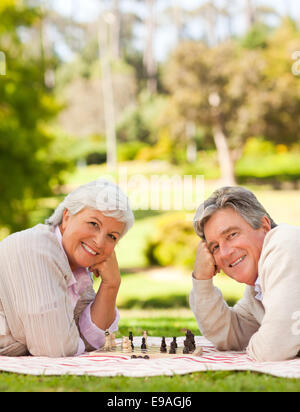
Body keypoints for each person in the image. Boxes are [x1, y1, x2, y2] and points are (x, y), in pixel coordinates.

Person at [0, 179, 134, 357]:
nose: (100, 242)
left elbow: (92, 341)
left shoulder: (77, 269)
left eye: (112, 236)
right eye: (94, 224)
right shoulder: (37, 248)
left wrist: (111, 284)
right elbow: (55, 349)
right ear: (67, 217)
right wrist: (71, 339)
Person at [190, 186, 300, 362]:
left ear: (264, 225)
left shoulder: (286, 245)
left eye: (232, 235)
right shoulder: (257, 288)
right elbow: (228, 335)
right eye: (215, 247)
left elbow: (273, 348)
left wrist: (269, 340)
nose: (224, 253)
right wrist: (202, 280)